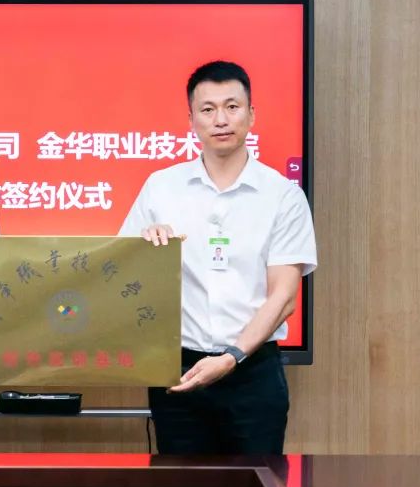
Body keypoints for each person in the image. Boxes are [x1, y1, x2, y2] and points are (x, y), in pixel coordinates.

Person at [120, 60, 316, 454]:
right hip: (179, 369)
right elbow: (121, 277)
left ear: (251, 115)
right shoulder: (161, 188)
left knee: (256, 486)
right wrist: (144, 249)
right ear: (191, 120)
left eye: (232, 107)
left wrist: (231, 357)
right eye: (207, 109)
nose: (221, 120)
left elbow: (284, 297)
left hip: (252, 372)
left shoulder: (282, 196)